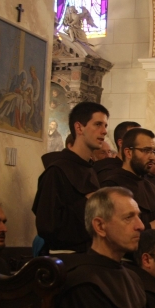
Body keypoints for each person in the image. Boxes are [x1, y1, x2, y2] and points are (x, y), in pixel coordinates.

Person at [32, 102, 107, 253]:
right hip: (67, 258)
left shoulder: (89, 169)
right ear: (79, 128)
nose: (104, 131)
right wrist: (87, 203)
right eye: (98, 124)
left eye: (105, 125)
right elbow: (47, 226)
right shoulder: (57, 171)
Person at [100, 128, 155, 230]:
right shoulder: (112, 185)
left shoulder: (151, 186)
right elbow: (110, 229)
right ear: (128, 153)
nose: (153, 157)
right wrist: (149, 227)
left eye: (153, 151)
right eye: (146, 150)